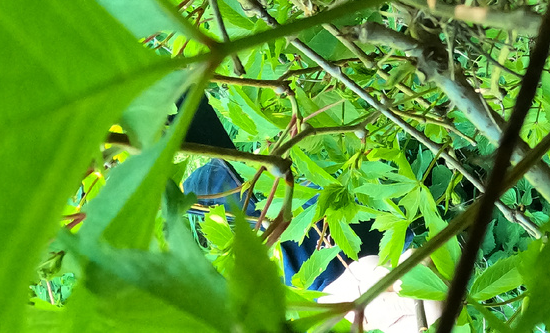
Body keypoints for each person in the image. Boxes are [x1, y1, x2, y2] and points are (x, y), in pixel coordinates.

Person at [181, 100, 440, 333]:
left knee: (211, 190)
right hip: (346, 246)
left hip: (315, 266)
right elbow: (417, 266)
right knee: (219, 189)